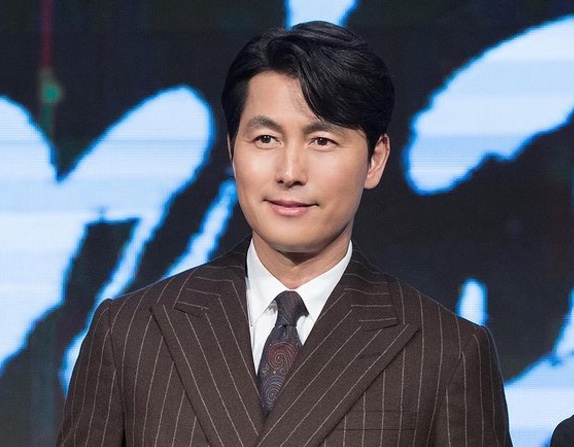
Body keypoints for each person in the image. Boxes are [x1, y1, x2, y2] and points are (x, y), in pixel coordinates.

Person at [57, 21, 512, 446]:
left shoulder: (448, 352)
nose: (290, 172)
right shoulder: (130, 333)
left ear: (374, 160)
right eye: (266, 139)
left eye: (322, 141)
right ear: (231, 150)